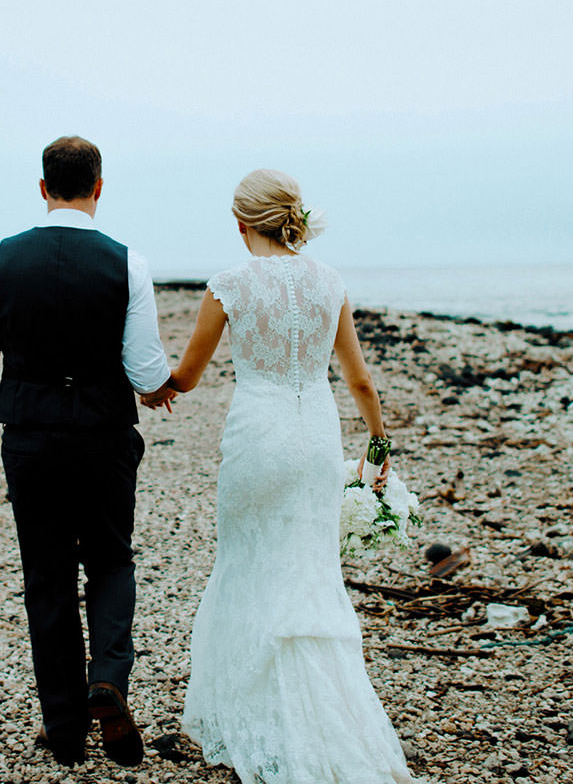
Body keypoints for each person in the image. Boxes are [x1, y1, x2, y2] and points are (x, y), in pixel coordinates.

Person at [156, 168, 420, 783]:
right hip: (316, 436)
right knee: (307, 566)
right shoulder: (330, 282)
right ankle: (327, 715)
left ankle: (250, 713)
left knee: (247, 560)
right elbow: (357, 378)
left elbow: (188, 376)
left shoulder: (229, 285)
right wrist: (378, 446)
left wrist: (151, 389)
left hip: (258, 435)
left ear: (240, 221)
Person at [0, 135, 173, 768]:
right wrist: (162, 390)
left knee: (46, 580)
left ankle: (65, 727)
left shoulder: (1, 260)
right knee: (110, 559)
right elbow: (145, 368)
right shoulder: (126, 262)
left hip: (30, 436)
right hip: (104, 434)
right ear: (99, 187)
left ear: (42, 187)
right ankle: (107, 677)